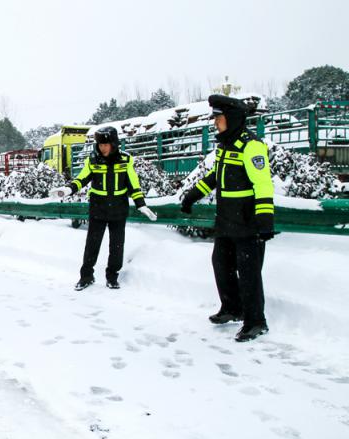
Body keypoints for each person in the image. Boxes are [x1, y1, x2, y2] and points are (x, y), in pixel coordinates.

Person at [180, 94, 275, 342]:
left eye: (218, 118)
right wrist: (191, 196)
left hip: (246, 222)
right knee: (220, 264)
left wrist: (265, 220)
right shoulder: (226, 146)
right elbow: (214, 177)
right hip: (226, 221)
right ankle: (232, 309)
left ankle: (256, 322)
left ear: (231, 118)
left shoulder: (251, 146)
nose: (215, 123)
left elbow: (263, 184)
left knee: (249, 272)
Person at [50, 126, 157, 291]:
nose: (103, 148)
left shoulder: (125, 160)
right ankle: (86, 276)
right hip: (98, 209)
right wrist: (67, 189)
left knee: (117, 246)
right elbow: (82, 179)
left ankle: (112, 276)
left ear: (114, 144)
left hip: (118, 209)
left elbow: (133, 185)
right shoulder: (92, 160)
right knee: (92, 245)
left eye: (106, 144)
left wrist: (141, 204)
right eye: (100, 144)